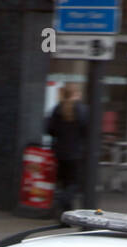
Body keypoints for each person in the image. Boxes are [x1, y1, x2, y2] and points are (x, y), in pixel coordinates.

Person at [47, 84, 88, 212]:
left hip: (60, 151)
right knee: (74, 183)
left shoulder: (57, 109)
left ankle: (66, 212)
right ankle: (62, 201)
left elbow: (50, 129)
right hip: (76, 152)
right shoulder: (82, 110)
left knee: (64, 182)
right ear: (77, 94)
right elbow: (86, 130)